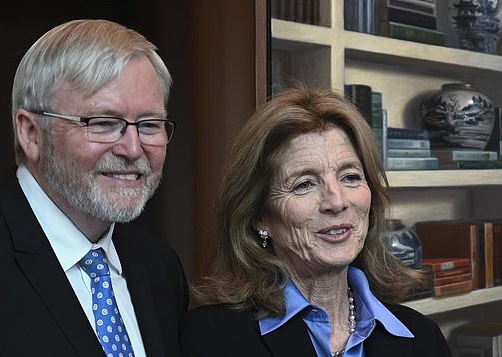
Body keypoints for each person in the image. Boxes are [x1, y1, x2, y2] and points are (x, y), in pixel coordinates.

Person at [0, 19, 189, 357]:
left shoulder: (159, 268)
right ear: (31, 133)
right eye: (103, 124)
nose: (133, 149)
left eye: (149, 125)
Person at [179, 87, 451, 357]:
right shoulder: (211, 339)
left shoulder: (422, 337)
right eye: (304, 184)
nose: (336, 201)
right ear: (258, 216)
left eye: (350, 177)